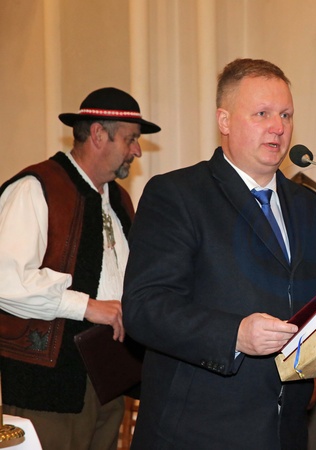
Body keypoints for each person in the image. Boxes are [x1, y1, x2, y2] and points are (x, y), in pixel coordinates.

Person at [122, 58, 316, 449]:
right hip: (197, 431)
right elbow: (145, 307)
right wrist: (234, 335)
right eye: (262, 114)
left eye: (286, 115)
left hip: (286, 430)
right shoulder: (178, 195)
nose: (278, 127)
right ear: (224, 121)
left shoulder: (311, 208)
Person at [0, 87, 160, 450]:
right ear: (99, 134)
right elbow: (6, 280)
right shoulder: (36, 187)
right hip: (46, 386)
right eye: (131, 139)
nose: (137, 150)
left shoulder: (118, 199)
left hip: (107, 379)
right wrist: (87, 306)